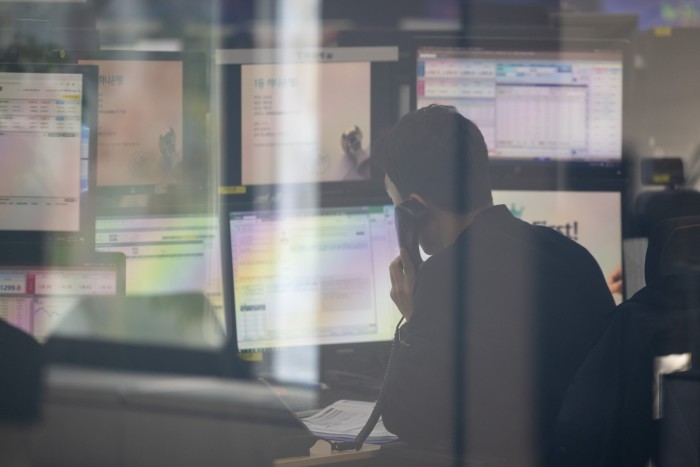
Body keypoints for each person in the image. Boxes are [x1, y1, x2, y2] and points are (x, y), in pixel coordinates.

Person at [373, 105, 616, 465]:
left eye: (395, 205)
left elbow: (411, 420)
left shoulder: (444, 276)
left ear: (414, 210)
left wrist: (414, 320)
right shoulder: (571, 255)